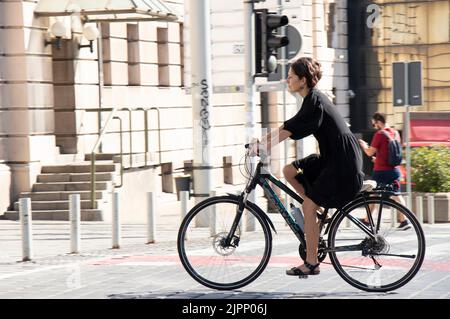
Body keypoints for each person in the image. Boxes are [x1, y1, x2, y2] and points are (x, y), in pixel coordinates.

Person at [249, 57, 364, 277]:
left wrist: (263, 146)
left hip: (342, 164)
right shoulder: (312, 99)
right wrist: (262, 143)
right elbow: (288, 126)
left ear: (303, 80)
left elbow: (289, 130)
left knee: (307, 207)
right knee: (289, 171)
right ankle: (319, 213)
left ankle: (311, 263)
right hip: (332, 159)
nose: (287, 79)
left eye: (291, 76)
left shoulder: (315, 100)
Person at [358, 112, 411, 230]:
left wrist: (363, 145)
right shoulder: (396, 133)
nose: (374, 127)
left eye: (374, 124)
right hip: (394, 170)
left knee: (373, 193)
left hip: (381, 171)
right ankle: (404, 220)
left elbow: (369, 152)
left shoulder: (380, 134)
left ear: (378, 121)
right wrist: (378, 159)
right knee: (396, 195)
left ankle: (367, 220)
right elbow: (390, 153)